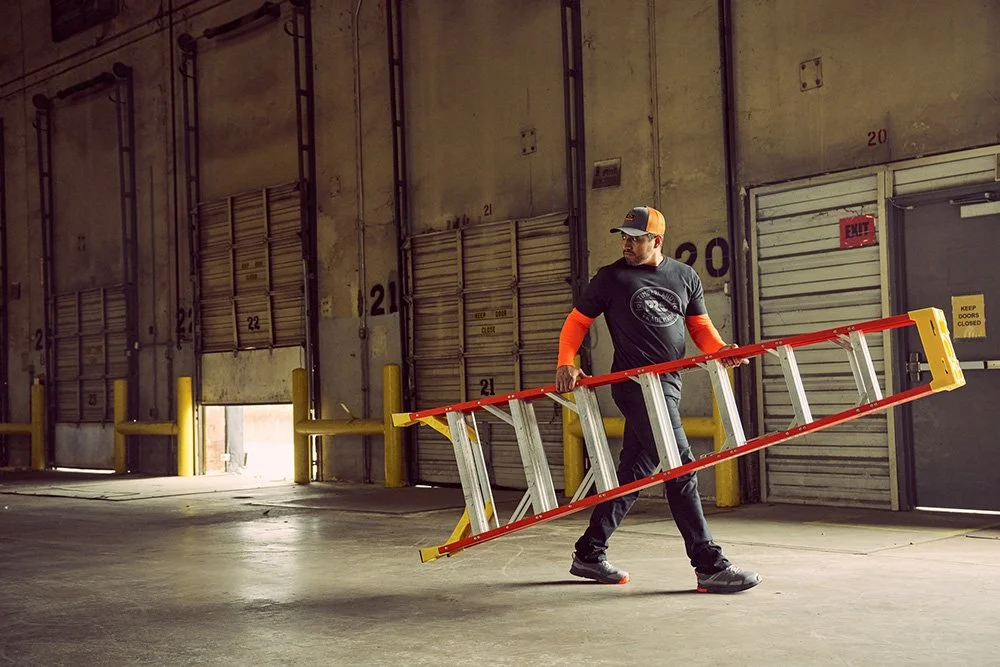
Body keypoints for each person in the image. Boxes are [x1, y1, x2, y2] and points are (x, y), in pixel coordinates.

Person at [554, 205, 761, 594]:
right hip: (636, 385)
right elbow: (578, 321)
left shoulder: (684, 276)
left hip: (669, 384)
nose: (626, 245)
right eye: (623, 238)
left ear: (656, 240)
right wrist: (567, 361)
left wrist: (720, 351)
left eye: (635, 239)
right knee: (680, 468)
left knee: (635, 472)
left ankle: (589, 553)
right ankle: (708, 565)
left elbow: (700, 328)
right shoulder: (611, 277)